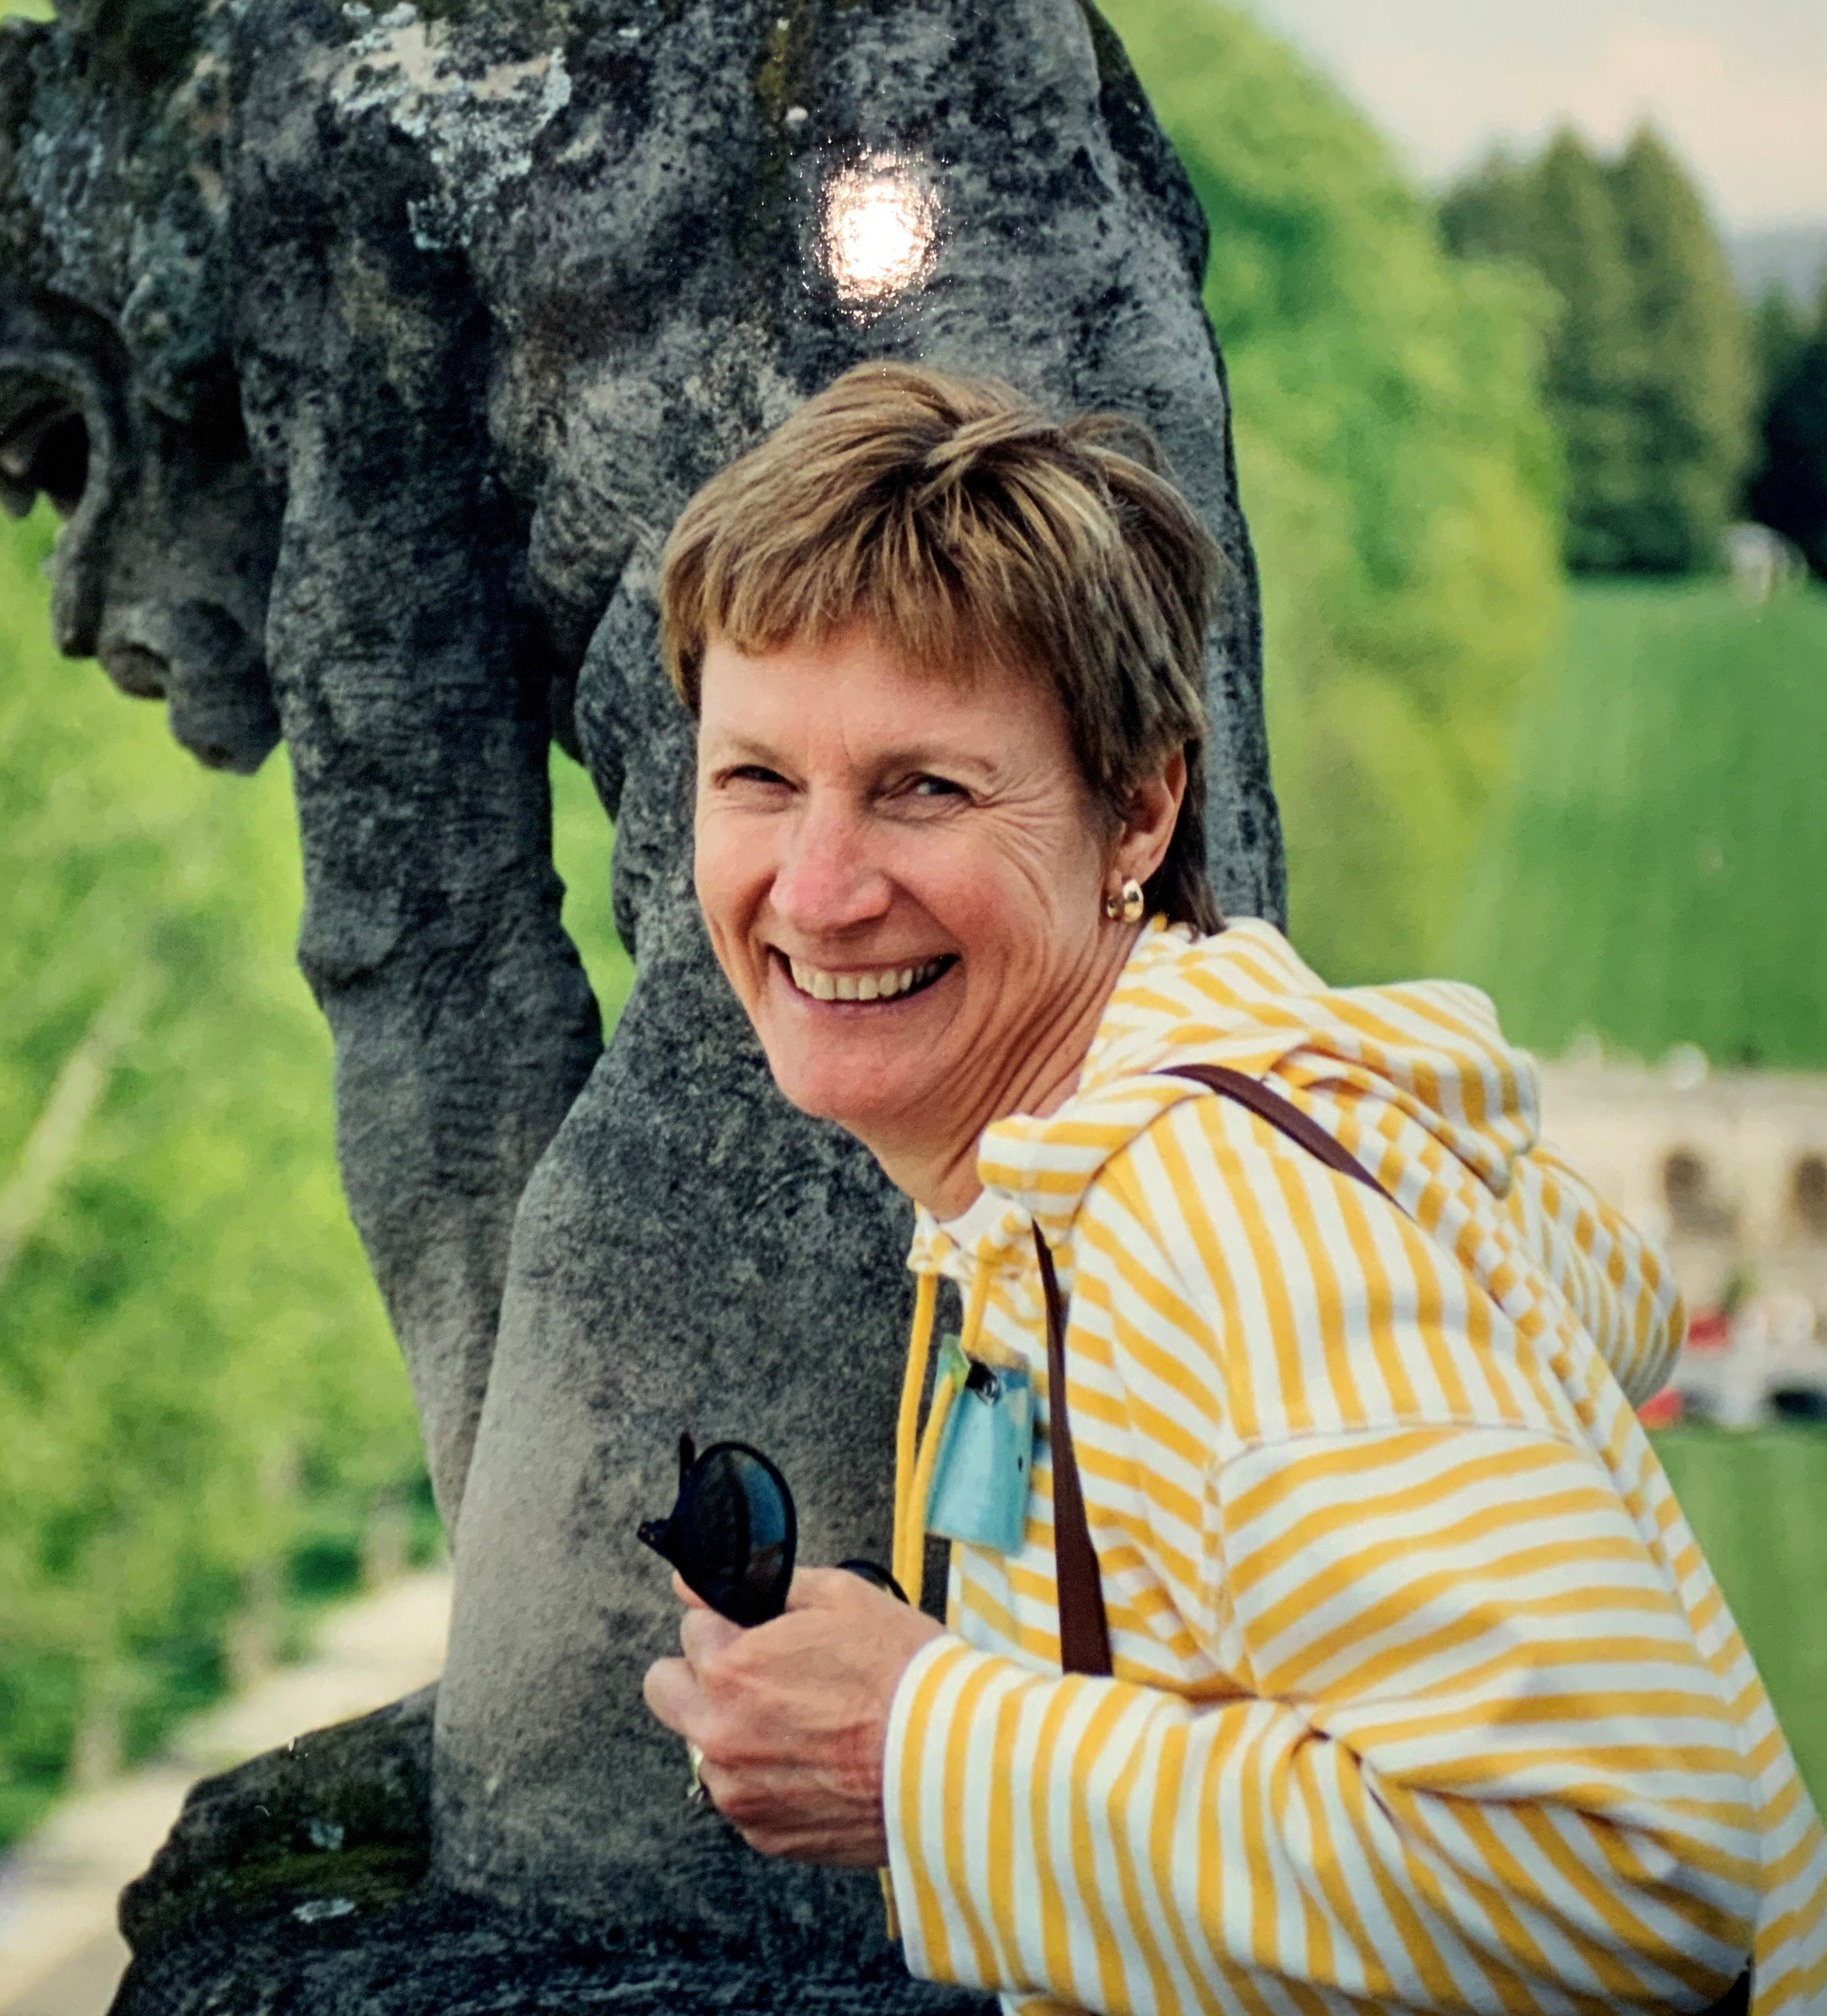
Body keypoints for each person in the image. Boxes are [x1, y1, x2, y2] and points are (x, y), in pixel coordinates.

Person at [641, 362, 1826, 2014]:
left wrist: (921, 1751)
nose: (819, 888)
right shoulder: (1058, 1196)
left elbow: (1629, 1865)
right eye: (757, 779)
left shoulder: (1216, 1220)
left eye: (924, 787)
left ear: (1138, 807)